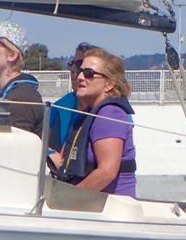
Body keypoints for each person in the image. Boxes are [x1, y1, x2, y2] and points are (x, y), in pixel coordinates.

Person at [54, 47, 136, 197]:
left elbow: (107, 172)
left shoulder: (110, 114)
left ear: (109, 84)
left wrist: (69, 198)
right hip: (90, 205)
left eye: (89, 74)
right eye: (80, 70)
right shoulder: (87, 113)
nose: (79, 77)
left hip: (109, 209)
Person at [48, 42, 97, 152]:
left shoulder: (112, 112)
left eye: (80, 64)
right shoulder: (59, 107)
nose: (73, 70)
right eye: (72, 63)